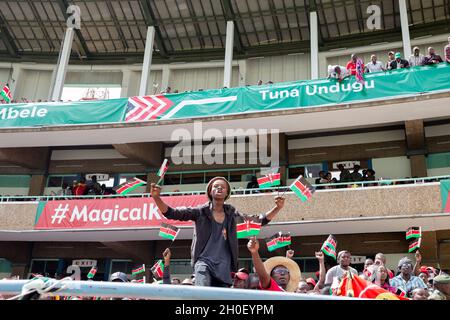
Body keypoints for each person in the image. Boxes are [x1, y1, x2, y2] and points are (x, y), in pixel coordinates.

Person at [150, 177, 285, 287]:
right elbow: (172, 213)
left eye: (223, 187)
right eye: (215, 186)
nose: (219, 188)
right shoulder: (200, 211)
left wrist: (277, 208)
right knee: (203, 295)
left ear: (227, 193)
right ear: (210, 192)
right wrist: (156, 198)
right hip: (203, 263)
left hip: (224, 266)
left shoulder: (232, 214)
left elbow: (258, 220)